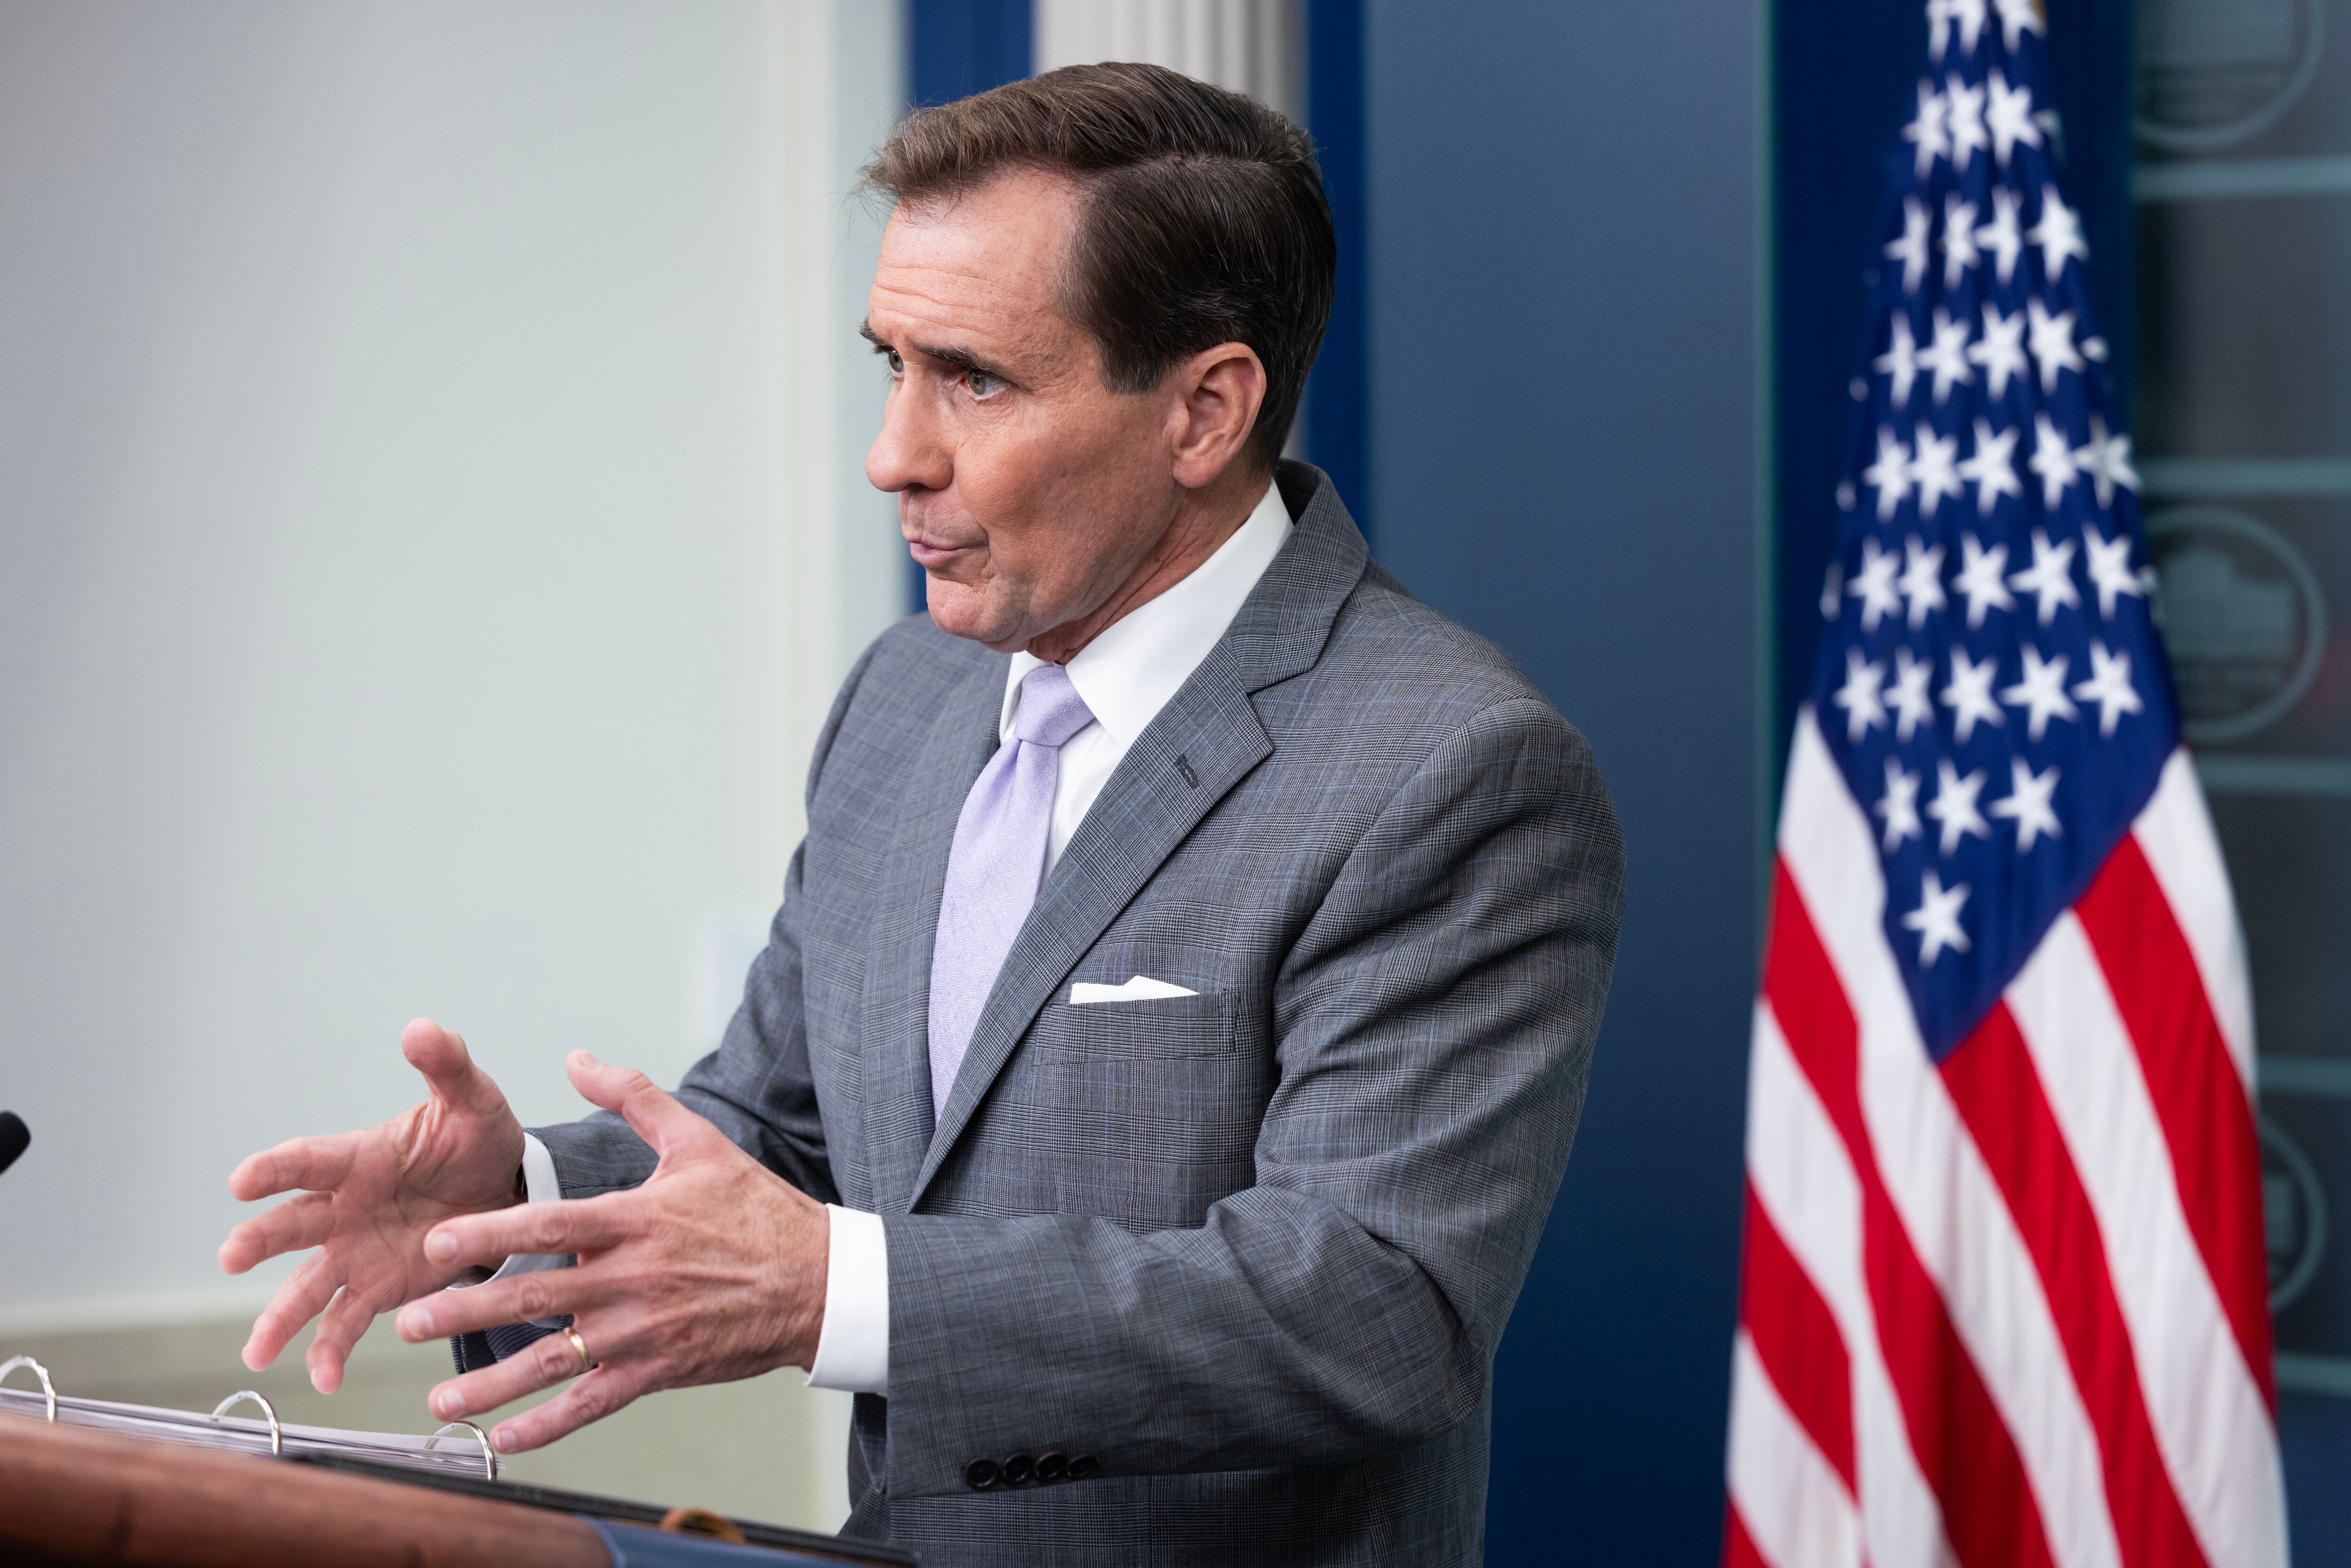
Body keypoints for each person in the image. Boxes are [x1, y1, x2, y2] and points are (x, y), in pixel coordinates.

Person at [217, 63, 1624, 1567]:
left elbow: (1370, 1308)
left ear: (1207, 410)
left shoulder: (1451, 766)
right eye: (890, 361)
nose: (896, 453)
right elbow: (780, 1137)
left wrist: (834, 1292)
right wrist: (517, 1196)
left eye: (976, 378)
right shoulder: (907, 699)